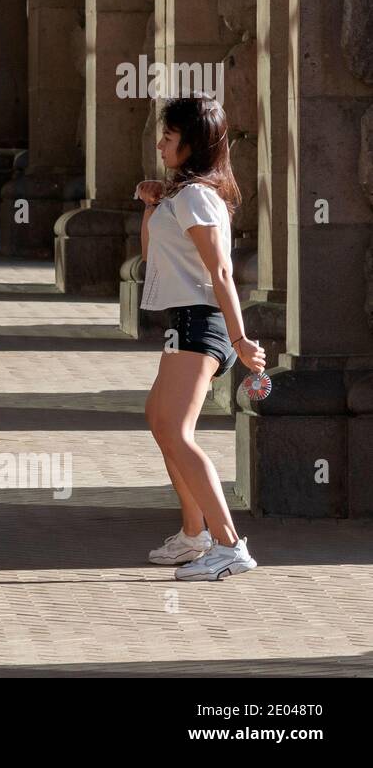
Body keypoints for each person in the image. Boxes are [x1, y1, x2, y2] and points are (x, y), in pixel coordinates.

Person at [137, 96, 266, 581]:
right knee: (159, 419)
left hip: (202, 322)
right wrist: (151, 206)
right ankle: (194, 534)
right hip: (185, 320)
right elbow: (152, 255)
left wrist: (241, 339)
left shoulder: (196, 197)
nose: (161, 145)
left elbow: (222, 273)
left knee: (176, 430)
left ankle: (229, 544)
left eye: (169, 138)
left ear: (192, 144)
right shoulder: (182, 194)